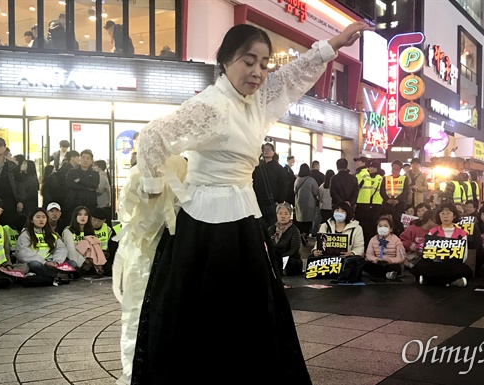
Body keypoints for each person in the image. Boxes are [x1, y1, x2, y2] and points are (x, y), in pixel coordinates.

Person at [119, 21, 368, 385]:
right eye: (248, 61)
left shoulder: (256, 99)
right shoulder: (211, 105)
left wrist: (333, 45)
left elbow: (291, 76)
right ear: (224, 61)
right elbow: (153, 136)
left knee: (246, 309)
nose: (258, 71)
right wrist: (157, 191)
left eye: (264, 63)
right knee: (210, 310)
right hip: (204, 222)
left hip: (243, 216)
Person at [411, 203, 473, 287]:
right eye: (442, 213)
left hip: (452, 264)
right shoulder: (433, 232)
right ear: (439, 216)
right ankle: (451, 282)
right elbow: (427, 251)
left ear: (454, 216)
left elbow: (464, 255)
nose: (445, 216)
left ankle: (430, 280)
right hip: (436, 263)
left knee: (464, 270)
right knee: (422, 265)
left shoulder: (461, 234)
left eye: (448, 213)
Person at [15, 207, 69, 286]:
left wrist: (57, 261)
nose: (41, 220)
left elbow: (61, 248)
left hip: (52, 262)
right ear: (31, 220)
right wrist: (45, 262)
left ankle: (46, 277)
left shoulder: (52, 234)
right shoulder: (26, 234)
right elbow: (23, 253)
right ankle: (57, 276)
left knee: (72, 263)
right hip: (38, 263)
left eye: (44, 217)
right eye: (38, 217)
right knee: (35, 265)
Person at [316, 202, 365, 283]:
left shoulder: (357, 228)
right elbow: (318, 243)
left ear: (347, 213)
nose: (339, 213)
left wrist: (352, 253)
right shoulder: (325, 226)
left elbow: (359, 247)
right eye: (337, 210)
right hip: (328, 259)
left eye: (342, 211)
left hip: (346, 259)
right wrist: (315, 251)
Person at [253, 143, 288, 229]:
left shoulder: (279, 168)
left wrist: (280, 200)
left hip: (272, 202)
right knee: (260, 226)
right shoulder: (257, 167)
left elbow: (283, 185)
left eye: (269, 149)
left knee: (272, 226)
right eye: (265, 149)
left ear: (273, 152)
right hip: (259, 201)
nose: (266, 151)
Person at [64, 150, 99, 226]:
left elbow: (94, 185)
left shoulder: (95, 174)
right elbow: (69, 184)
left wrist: (80, 180)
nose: (85, 160)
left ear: (91, 161)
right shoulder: (72, 172)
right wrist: (86, 187)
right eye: (83, 157)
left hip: (90, 204)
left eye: (88, 158)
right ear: (80, 159)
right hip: (74, 202)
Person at [268, 202, 302, 276]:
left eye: (286, 214)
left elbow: (294, 249)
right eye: (280, 213)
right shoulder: (271, 229)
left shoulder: (294, 230)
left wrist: (280, 258)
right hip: (274, 257)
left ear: (290, 215)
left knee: (292, 262)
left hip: (289, 257)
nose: (283, 216)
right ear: (276, 215)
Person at [62, 205, 96, 273]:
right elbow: (71, 250)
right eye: (80, 214)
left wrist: (91, 261)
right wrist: (84, 261)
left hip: (89, 261)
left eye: (85, 215)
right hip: (73, 260)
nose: (83, 217)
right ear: (75, 217)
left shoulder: (91, 231)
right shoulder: (68, 231)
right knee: (73, 265)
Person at [294, 163, 319, 245]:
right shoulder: (311, 180)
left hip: (299, 203)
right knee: (308, 221)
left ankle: (301, 234)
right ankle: (306, 235)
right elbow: (316, 192)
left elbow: (294, 190)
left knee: (301, 220)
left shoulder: (297, 179)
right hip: (309, 203)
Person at [354, 157, 375, 247]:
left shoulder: (360, 174)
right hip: (366, 202)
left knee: (359, 225)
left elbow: (354, 187)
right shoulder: (367, 174)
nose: (357, 163)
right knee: (365, 225)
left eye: (359, 161)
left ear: (363, 163)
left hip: (360, 202)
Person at [92, 207, 114, 276]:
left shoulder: (108, 229)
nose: (96, 223)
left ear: (104, 220)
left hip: (105, 255)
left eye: (99, 221)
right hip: (92, 255)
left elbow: (112, 246)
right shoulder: (86, 228)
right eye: (94, 219)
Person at [94, 160, 112, 224]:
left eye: (94, 166)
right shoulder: (104, 175)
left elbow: (99, 190)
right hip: (104, 204)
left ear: (99, 167)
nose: (93, 168)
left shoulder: (101, 176)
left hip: (103, 204)